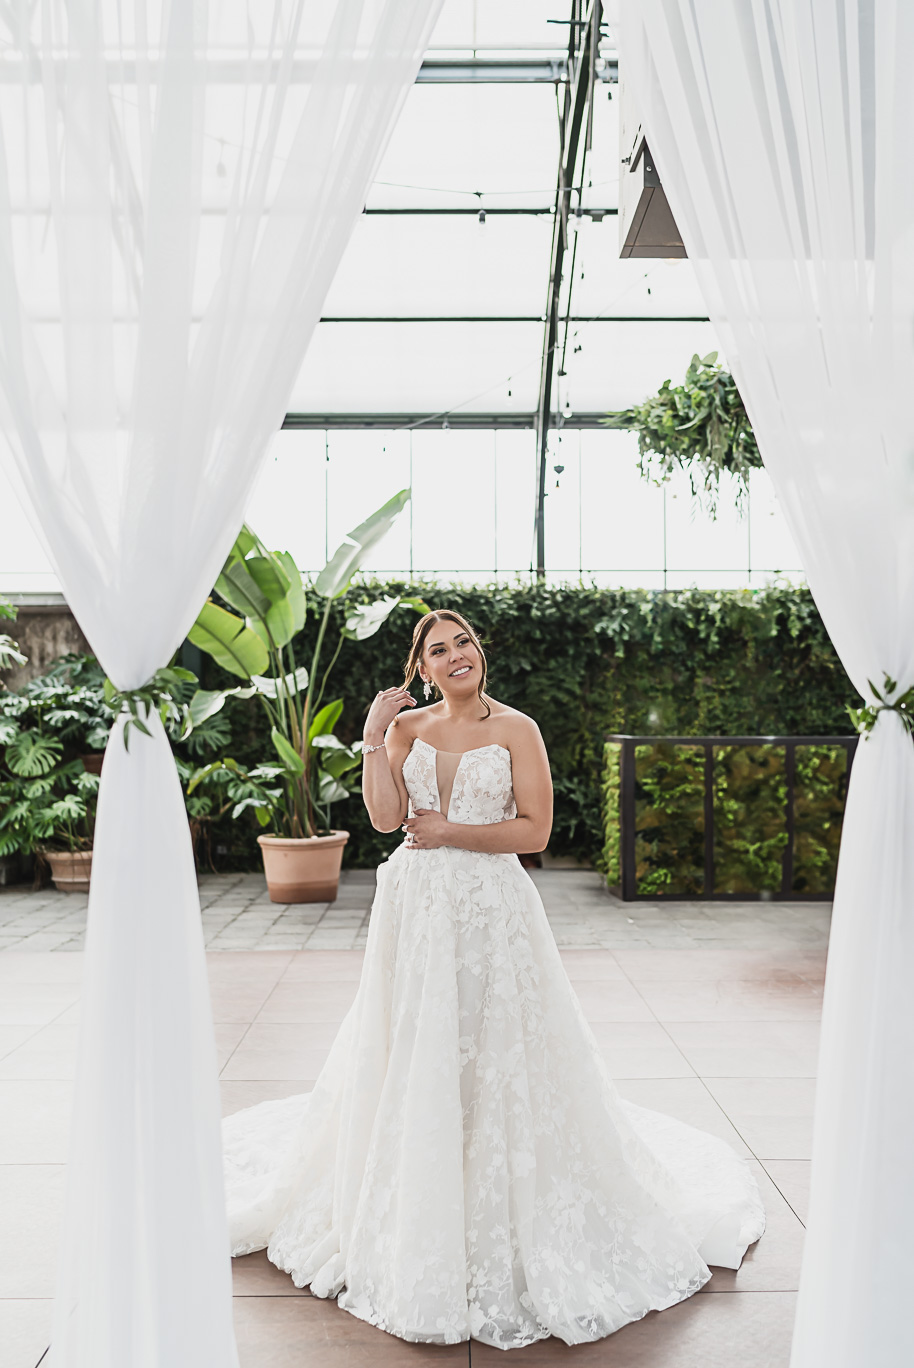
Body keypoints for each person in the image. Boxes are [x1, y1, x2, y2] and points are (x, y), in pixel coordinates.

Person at [222, 608, 765, 1351]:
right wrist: (375, 739)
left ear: (480, 653)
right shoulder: (406, 731)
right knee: (417, 1045)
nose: (454, 657)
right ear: (422, 669)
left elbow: (535, 831)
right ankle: (420, 1181)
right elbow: (385, 819)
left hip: (491, 913)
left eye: (463, 644)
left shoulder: (518, 729)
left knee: (495, 1046)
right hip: (413, 910)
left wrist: (453, 832)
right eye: (437, 651)